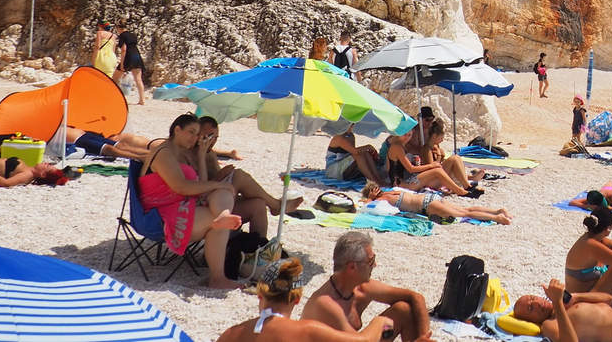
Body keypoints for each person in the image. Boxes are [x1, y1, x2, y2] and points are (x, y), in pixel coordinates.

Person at [138, 114, 243, 289]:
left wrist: (202, 155)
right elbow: (182, 187)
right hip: (162, 213)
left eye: (197, 134)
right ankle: (217, 278)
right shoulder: (164, 153)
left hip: (183, 203)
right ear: (177, 130)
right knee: (220, 211)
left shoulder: (180, 152)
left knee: (221, 193)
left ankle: (223, 214)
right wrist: (216, 184)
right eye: (191, 132)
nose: (194, 138)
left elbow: (199, 184)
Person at [216, 257, 393, 342]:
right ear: (297, 299)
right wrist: (381, 321)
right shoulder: (308, 330)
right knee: (397, 315)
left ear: (260, 295)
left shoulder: (231, 334)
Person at [302, 232, 429, 341]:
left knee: (403, 310)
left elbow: (415, 297)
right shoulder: (326, 303)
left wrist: (424, 337)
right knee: (385, 323)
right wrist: (379, 323)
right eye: (371, 261)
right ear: (352, 267)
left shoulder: (362, 288)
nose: (375, 265)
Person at [198, 116, 303, 229]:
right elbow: (197, 188)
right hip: (205, 205)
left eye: (215, 137)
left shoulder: (209, 151)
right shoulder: (191, 154)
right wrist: (219, 175)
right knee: (238, 175)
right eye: (208, 136)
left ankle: (260, 244)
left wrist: (227, 154)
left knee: (258, 204)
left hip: (221, 199)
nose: (212, 141)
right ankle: (276, 205)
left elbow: (215, 157)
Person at [562, 205, 612, 296]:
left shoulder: (592, 238)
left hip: (587, 294)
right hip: (581, 301)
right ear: (609, 228)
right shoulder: (591, 245)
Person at [362, 182, 511, 224]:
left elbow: (366, 207)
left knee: (465, 213)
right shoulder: (390, 193)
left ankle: (497, 217)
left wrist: (370, 198)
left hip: (427, 205)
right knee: (466, 209)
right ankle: (497, 211)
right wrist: (372, 196)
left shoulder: (384, 197)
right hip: (430, 198)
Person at [111, 20, 146, 105]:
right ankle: (142, 100)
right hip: (137, 55)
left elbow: (124, 50)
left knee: (115, 77)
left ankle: (114, 96)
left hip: (128, 56)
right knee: (138, 79)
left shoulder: (122, 36)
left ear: (118, 28)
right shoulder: (133, 35)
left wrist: (122, 64)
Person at [0, 157, 70, 187]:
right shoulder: (28, 169)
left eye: (48, 166)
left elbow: (6, 183)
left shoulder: (27, 175)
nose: (46, 163)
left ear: (42, 174)